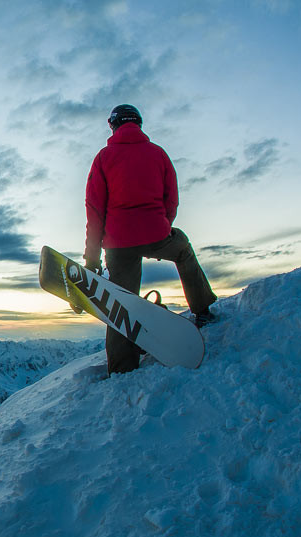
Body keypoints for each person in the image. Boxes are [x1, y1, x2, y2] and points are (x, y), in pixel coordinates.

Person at [84, 104, 217, 374]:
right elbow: (172, 199)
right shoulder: (158, 154)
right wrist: (163, 225)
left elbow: (95, 210)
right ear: (139, 124)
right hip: (157, 233)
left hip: (118, 243)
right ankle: (202, 308)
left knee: (120, 302)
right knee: (183, 251)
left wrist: (92, 258)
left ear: (113, 125)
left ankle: (122, 367)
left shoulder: (103, 158)